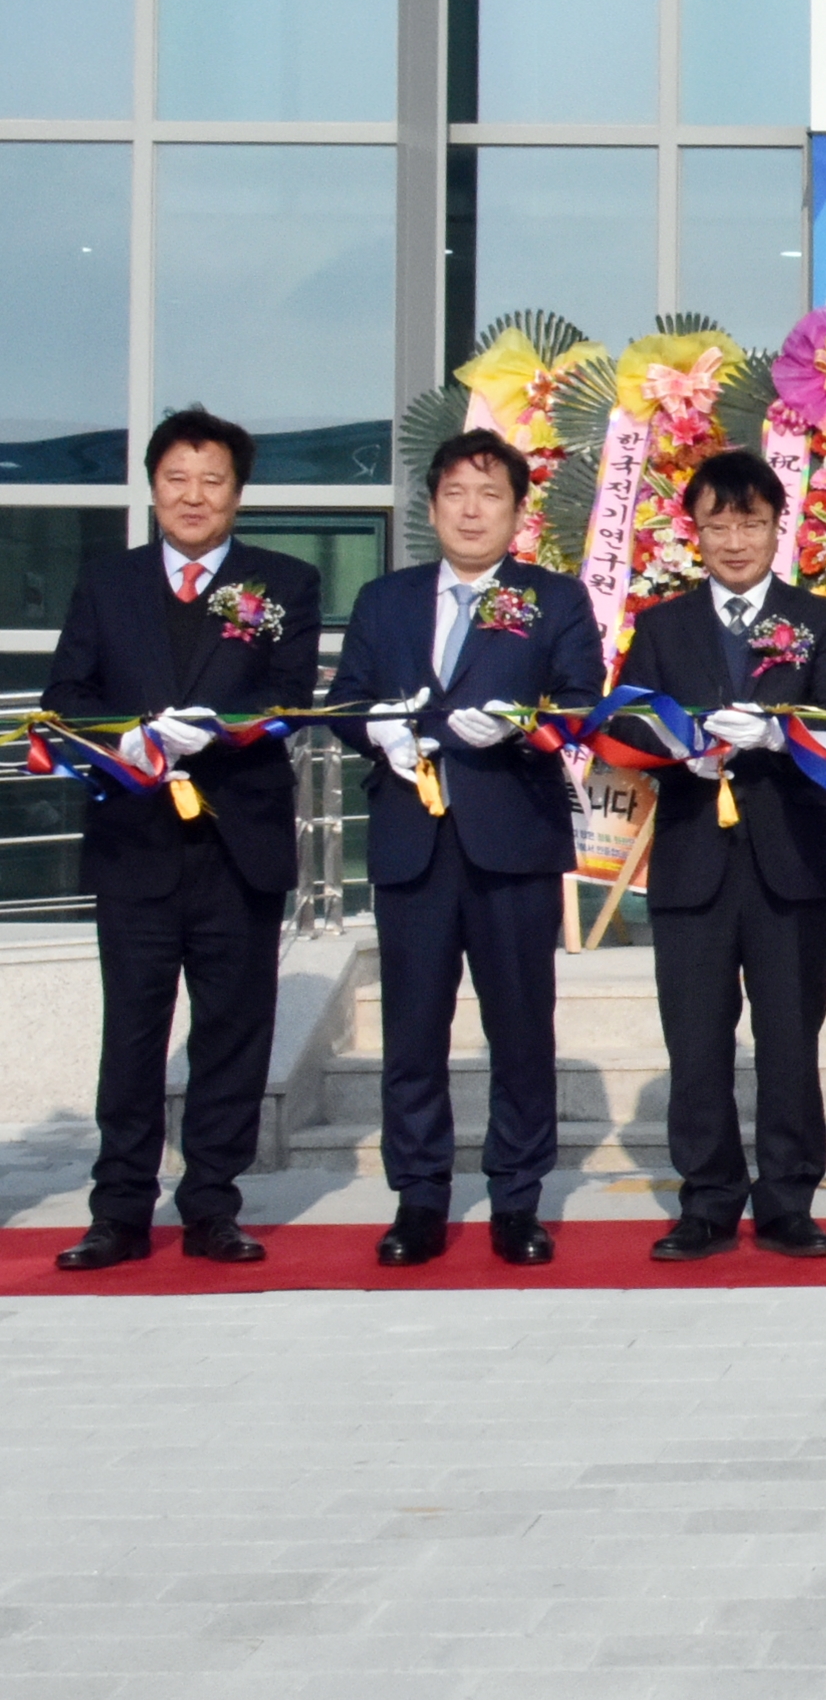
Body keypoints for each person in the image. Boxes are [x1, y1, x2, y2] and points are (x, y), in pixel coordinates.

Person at [44, 410, 322, 1272]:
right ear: (154, 487)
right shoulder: (107, 583)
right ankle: (119, 1209)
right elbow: (66, 695)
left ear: (238, 493)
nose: (193, 495)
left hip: (239, 839)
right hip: (136, 841)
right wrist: (124, 739)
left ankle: (212, 1205)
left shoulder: (283, 583)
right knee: (132, 1031)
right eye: (177, 478)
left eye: (212, 480)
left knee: (234, 1030)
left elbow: (288, 697)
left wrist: (226, 730)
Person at [326, 429, 602, 1267]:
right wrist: (377, 733)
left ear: (518, 511)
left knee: (521, 1026)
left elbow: (582, 705)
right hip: (414, 838)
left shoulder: (554, 600)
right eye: (456, 493)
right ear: (433, 505)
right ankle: (419, 1196)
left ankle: (518, 1198)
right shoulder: (386, 599)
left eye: (490, 495)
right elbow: (343, 703)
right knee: (413, 1027)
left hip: (511, 837)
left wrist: (519, 730)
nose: (472, 509)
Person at [613, 450, 826, 1262]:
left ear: (775, 526)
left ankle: (788, 1198)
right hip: (691, 857)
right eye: (717, 523)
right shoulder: (661, 625)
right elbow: (621, 725)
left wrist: (780, 735)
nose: (734, 540)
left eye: (750, 522)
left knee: (791, 1035)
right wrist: (670, 749)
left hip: (789, 856)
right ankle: (708, 1200)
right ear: (696, 531)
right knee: (697, 1038)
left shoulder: (819, 618)